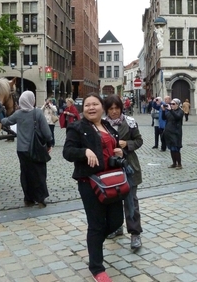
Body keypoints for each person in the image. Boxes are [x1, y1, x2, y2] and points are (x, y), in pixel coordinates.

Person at [63, 93, 125, 282]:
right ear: (83, 109)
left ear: (102, 107)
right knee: (96, 225)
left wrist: (120, 150)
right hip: (91, 183)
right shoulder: (77, 127)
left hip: (112, 180)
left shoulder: (106, 125)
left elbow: (113, 146)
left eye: (95, 104)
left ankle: (94, 242)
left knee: (116, 221)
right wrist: (84, 151)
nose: (91, 108)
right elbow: (67, 152)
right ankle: (97, 268)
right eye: (87, 105)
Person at [0, 90, 53, 208]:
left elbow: (6, 121)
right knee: (39, 173)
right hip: (36, 148)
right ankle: (40, 198)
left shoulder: (18, 114)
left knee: (25, 173)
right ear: (32, 100)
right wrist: (49, 144)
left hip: (22, 150)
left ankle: (28, 199)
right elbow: (46, 133)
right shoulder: (37, 113)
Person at [103, 95, 143, 250]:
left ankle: (135, 234)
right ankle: (117, 227)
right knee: (113, 201)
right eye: (111, 108)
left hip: (129, 167)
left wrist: (127, 144)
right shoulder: (102, 124)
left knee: (131, 201)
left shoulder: (130, 122)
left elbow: (139, 141)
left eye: (117, 108)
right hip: (111, 168)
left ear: (121, 108)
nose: (114, 111)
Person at [162, 98, 184, 169]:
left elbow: (177, 117)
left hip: (176, 133)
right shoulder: (169, 112)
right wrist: (163, 111)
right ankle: (174, 163)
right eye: (171, 104)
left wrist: (171, 110)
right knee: (171, 148)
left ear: (177, 105)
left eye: (173, 104)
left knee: (176, 148)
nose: (171, 105)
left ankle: (179, 164)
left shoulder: (180, 111)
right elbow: (164, 118)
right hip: (169, 133)